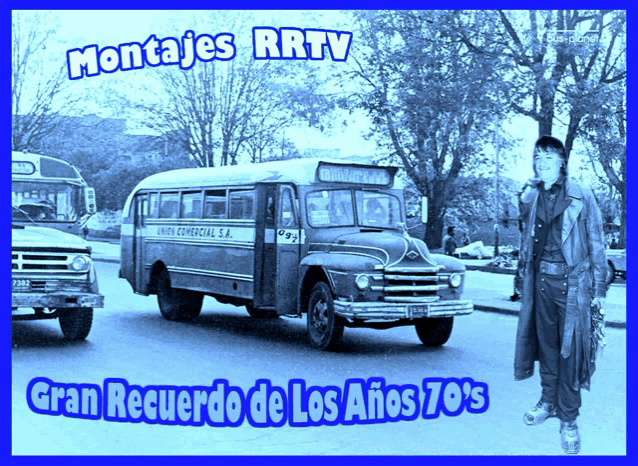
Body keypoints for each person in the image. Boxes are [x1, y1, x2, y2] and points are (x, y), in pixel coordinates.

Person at [514, 136, 607, 454]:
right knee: (547, 348)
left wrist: (599, 288)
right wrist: (525, 195)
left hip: (573, 285)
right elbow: (524, 236)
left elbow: (595, 238)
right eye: (537, 157)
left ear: (562, 162)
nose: (541, 162)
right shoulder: (534, 195)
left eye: (548, 157)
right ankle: (547, 402)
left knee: (569, 356)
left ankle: (569, 420)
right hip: (540, 283)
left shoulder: (581, 193)